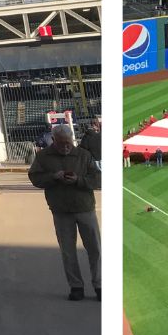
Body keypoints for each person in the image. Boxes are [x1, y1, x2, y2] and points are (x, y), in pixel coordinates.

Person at [27, 124, 101, 301]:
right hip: (61, 210)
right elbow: (35, 177)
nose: (65, 147)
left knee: (95, 249)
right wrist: (53, 177)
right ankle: (76, 286)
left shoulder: (84, 155)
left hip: (84, 207)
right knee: (68, 251)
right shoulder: (43, 157)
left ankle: (99, 285)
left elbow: (97, 178)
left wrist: (79, 180)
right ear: (54, 140)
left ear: (72, 140)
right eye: (61, 143)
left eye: (68, 143)